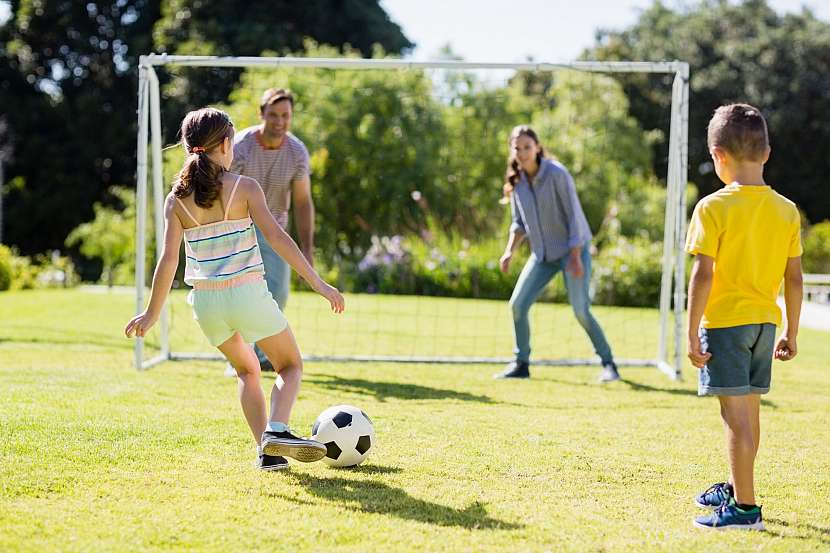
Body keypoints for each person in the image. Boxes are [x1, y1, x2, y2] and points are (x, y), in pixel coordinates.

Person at [124, 108, 345, 471]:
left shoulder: (175, 200)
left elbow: (168, 262)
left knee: (247, 372)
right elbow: (278, 239)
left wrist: (151, 314)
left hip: (207, 305)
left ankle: (267, 453)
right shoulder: (245, 188)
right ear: (226, 144)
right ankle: (277, 429)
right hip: (246, 294)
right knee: (290, 366)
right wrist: (319, 284)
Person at [686, 104, 803, 530]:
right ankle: (739, 487)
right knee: (749, 413)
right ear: (767, 152)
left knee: (734, 418)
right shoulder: (787, 210)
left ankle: (745, 509)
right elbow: (794, 277)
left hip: (726, 324)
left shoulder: (712, 207)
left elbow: (703, 275)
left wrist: (690, 333)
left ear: (717, 155)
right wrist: (790, 329)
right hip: (764, 324)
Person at [496, 125, 619, 383]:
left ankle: (609, 364)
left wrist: (575, 257)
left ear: (537, 147)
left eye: (527, 147)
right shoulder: (516, 182)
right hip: (542, 256)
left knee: (580, 310)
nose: (522, 153)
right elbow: (519, 224)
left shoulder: (557, 174)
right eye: (517, 148)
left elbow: (574, 216)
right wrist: (509, 252)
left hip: (572, 251)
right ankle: (521, 364)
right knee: (517, 306)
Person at [229, 88, 315, 373]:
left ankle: (262, 352)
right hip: (237, 230)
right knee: (239, 293)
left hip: (274, 232)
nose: (280, 121)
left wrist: (307, 249)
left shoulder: (297, 152)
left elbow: (303, 202)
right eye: (274, 115)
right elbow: (224, 192)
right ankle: (241, 356)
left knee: (277, 292)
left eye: (286, 116)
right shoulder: (240, 146)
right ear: (261, 114)